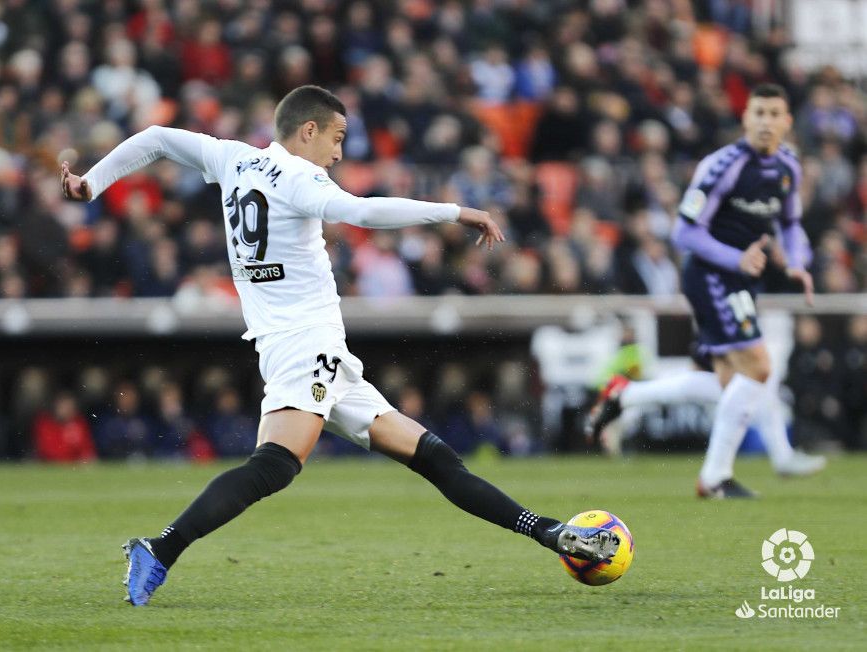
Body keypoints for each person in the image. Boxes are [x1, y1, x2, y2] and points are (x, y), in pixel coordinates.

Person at [60, 85, 619, 606]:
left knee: (435, 458)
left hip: (308, 350)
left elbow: (157, 139)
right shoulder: (298, 179)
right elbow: (364, 211)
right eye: (336, 137)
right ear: (307, 131)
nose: (337, 151)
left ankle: (549, 532)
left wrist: (93, 181)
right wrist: (453, 211)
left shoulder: (231, 158)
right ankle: (159, 549)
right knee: (274, 466)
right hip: (305, 346)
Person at [642, 83, 814, 498]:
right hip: (710, 274)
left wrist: (797, 262)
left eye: (775, 114)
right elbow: (684, 232)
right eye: (758, 113)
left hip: (742, 278)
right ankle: (718, 475)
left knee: (730, 381)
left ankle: (626, 396)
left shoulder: (788, 168)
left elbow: (790, 225)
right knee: (759, 366)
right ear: (745, 118)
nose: (766, 122)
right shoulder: (723, 165)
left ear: (787, 122)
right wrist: (734, 258)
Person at [584, 345, 826, 476]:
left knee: (753, 379)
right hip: (722, 304)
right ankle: (627, 394)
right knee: (753, 377)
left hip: (727, 303)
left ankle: (627, 394)